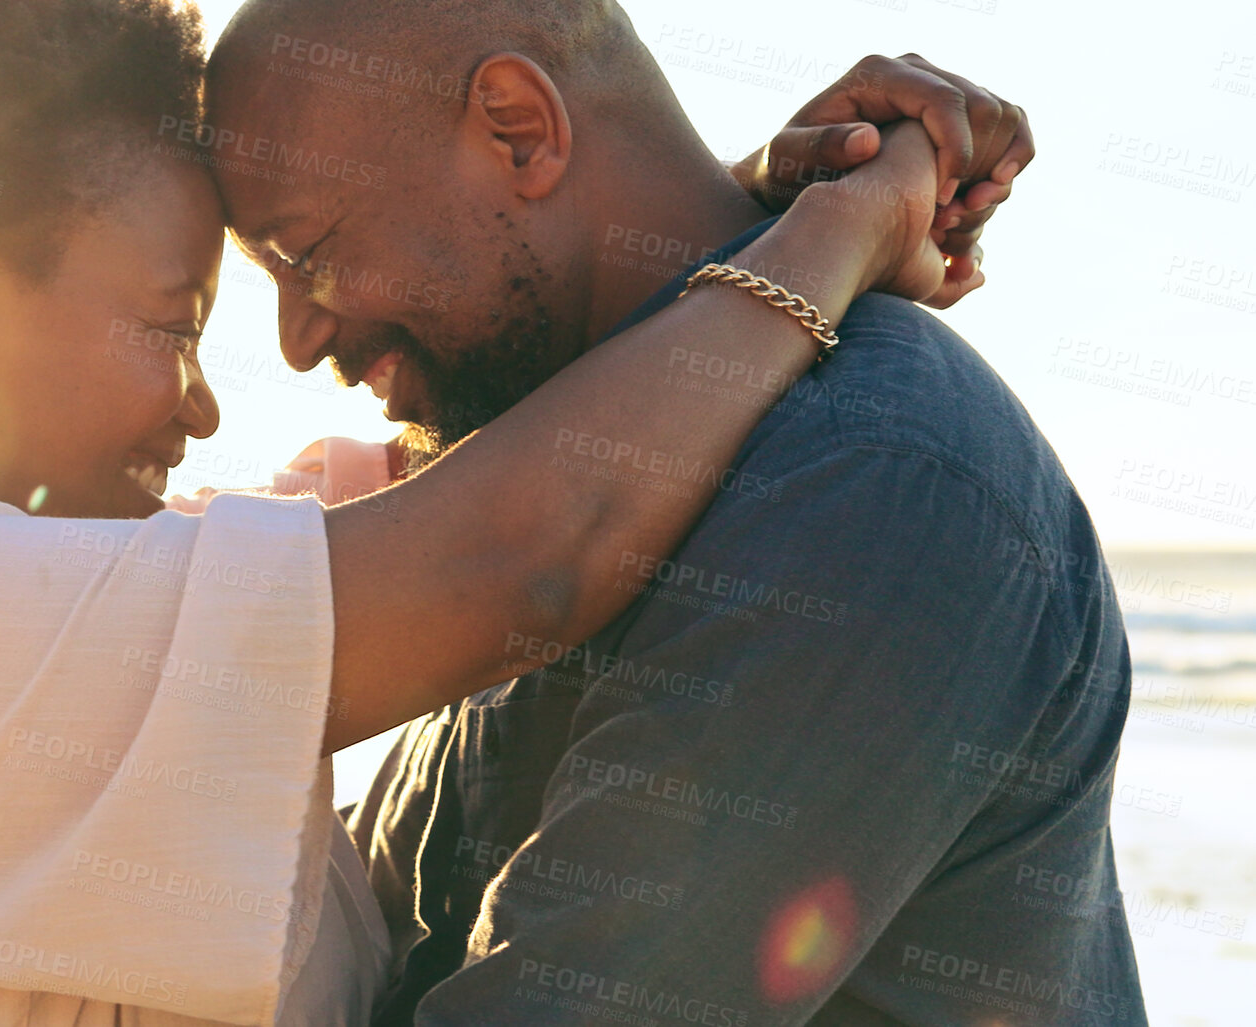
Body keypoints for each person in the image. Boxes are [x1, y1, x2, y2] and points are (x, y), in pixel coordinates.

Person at [0, 1, 1026, 1024]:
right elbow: (510, 553)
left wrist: (709, 210)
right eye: (173, 322)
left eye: (304, 261)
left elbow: (458, 458)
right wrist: (846, 219)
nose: (210, 400)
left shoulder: (22, 602)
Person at [202, 1, 1145, 1024]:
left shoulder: (862, 477)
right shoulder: (554, 479)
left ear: (520, 129)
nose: (298, 340)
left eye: (306, 254)